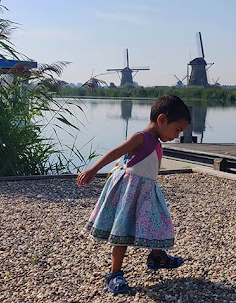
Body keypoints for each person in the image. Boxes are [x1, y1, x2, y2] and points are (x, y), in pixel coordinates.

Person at [77, 95, 191, 295]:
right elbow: (115, 153)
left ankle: (157, 256)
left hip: (146, 192)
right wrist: (93, 170)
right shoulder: (141, 138)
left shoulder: (156, 140)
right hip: (129, 192)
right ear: (162, 120)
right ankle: (115, 273)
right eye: (177, 130)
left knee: (156, 223)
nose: (177, 135)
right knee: (123, 231)